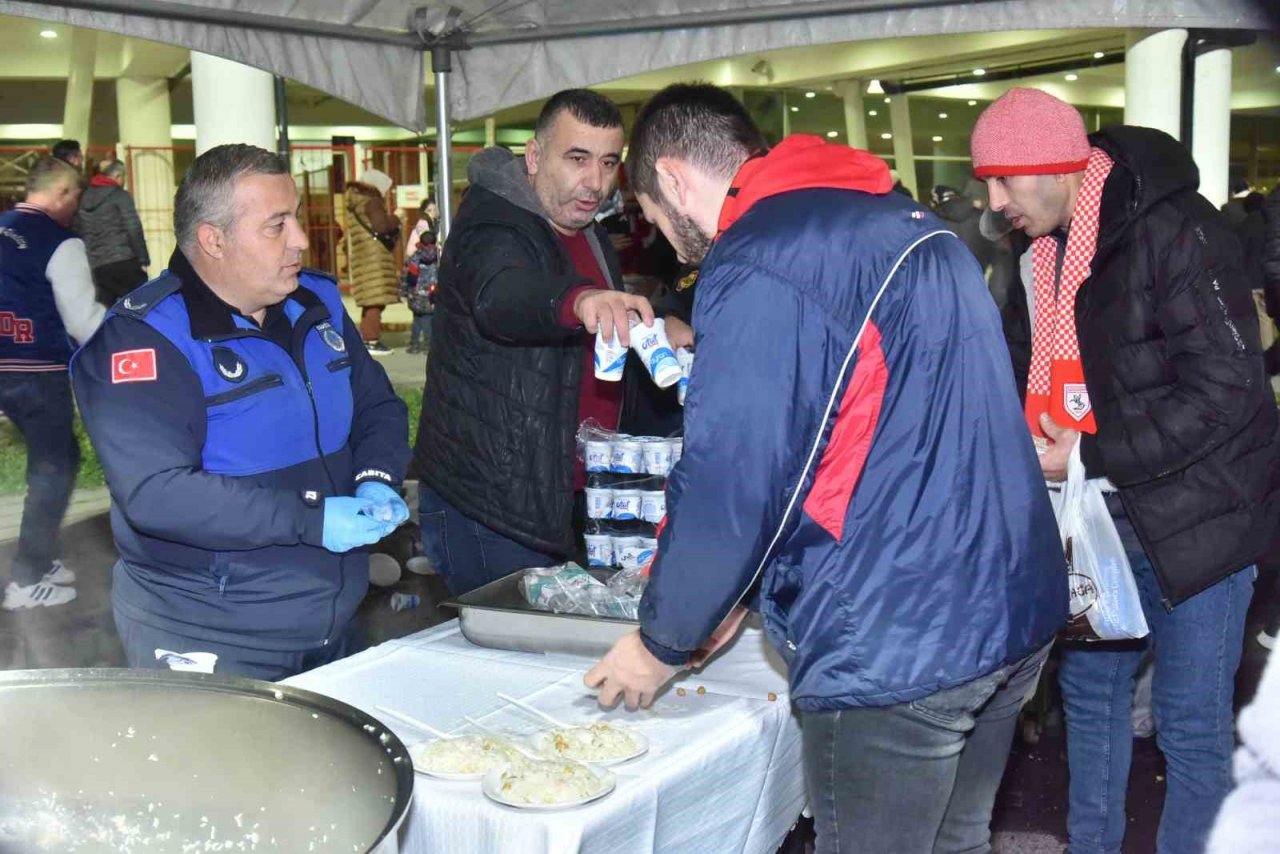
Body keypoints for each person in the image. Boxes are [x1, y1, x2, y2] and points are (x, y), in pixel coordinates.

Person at [585, 83, 1066, 854]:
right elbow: (851, 439)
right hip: (1008, 599)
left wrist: (660, 642)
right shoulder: (903, 223)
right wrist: (732, 596)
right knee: (958, 843)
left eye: (645, 210)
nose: (662, 238)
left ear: (673, 178)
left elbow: (735, 478)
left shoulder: (761, 257)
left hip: (900, 632)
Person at [970, 87, 1279, 854]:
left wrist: (1088, 451)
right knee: (1094, 708)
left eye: (1005, 179)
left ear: (1059, 167)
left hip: (1196, 523)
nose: (993, 200)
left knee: (1191, 728)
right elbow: (1021, 364)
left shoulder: (1175, 229)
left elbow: (1228, 392)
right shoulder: (1034, 250)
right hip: (1085, 520)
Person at [71, 144, 410, 680]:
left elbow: (378, 407)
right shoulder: (144, 338)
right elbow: (157, 493)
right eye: (277, 225)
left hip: (333, 616)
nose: (300, 239)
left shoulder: (314, 303)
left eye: (294, 216)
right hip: (212, 635)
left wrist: (375, 478)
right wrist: (312, 520)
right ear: (214, 239)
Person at [413, 88, 654, 597]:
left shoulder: (583, 227)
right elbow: (500, 296)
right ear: (534, 155)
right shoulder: (494, 222)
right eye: (577, 159)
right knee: (504, 665)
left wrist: (655, 327)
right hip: (493, 505)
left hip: (568, 495)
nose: (595, 182)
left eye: (609, 162)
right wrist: (577, 301)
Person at [0, 157, 104, 610]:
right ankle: (26, 580)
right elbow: (83, 322)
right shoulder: (60, 243)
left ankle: (40, 560)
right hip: (36, 369)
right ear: (63, 194)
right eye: (75, 198)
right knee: (56, 464)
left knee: (51, 462)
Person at [74, 158, 151, 306]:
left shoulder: (83, 198)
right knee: (140, 310)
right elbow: (133, 227)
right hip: (125, 261)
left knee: (105, 313)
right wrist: (143, 257)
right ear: (118, 176)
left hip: (97, 267)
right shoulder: (120, 196)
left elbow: (78, 229)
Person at [345, 168, 400, 355]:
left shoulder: (356, 202)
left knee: (370, 301)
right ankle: (371, 340)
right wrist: (396, 218)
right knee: (376, 301)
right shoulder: (372, 202)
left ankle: (366, 338)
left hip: (363, 257)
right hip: (374, 259)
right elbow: (382, 227)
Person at [932, 184, 995, 274]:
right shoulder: (982, 217)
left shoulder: (933, 224)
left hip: (946, 280)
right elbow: (998, 252)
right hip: (977, 278)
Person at [400, 227, 437, 354]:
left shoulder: (414, 257)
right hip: (431, 294)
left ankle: (414, 345)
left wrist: (403, 293)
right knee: (429, 320)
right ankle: (428, 345)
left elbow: (406, 276)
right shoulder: (437, 258)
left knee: (416, 320)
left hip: (415, 294)